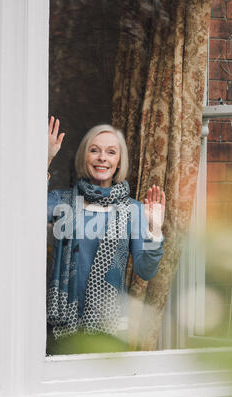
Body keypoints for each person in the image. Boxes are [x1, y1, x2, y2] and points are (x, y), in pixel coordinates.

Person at [46, 116, 165, 353]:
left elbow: (146, 270)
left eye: (111, 152)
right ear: (84, 157)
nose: (102, 158)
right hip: (61, 327)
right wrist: (46, 160)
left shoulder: (133, 210)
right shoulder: (61, 201)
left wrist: (155, 229)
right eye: (95, 151)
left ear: (119, 162)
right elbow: (27, 212)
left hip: (110, 330)